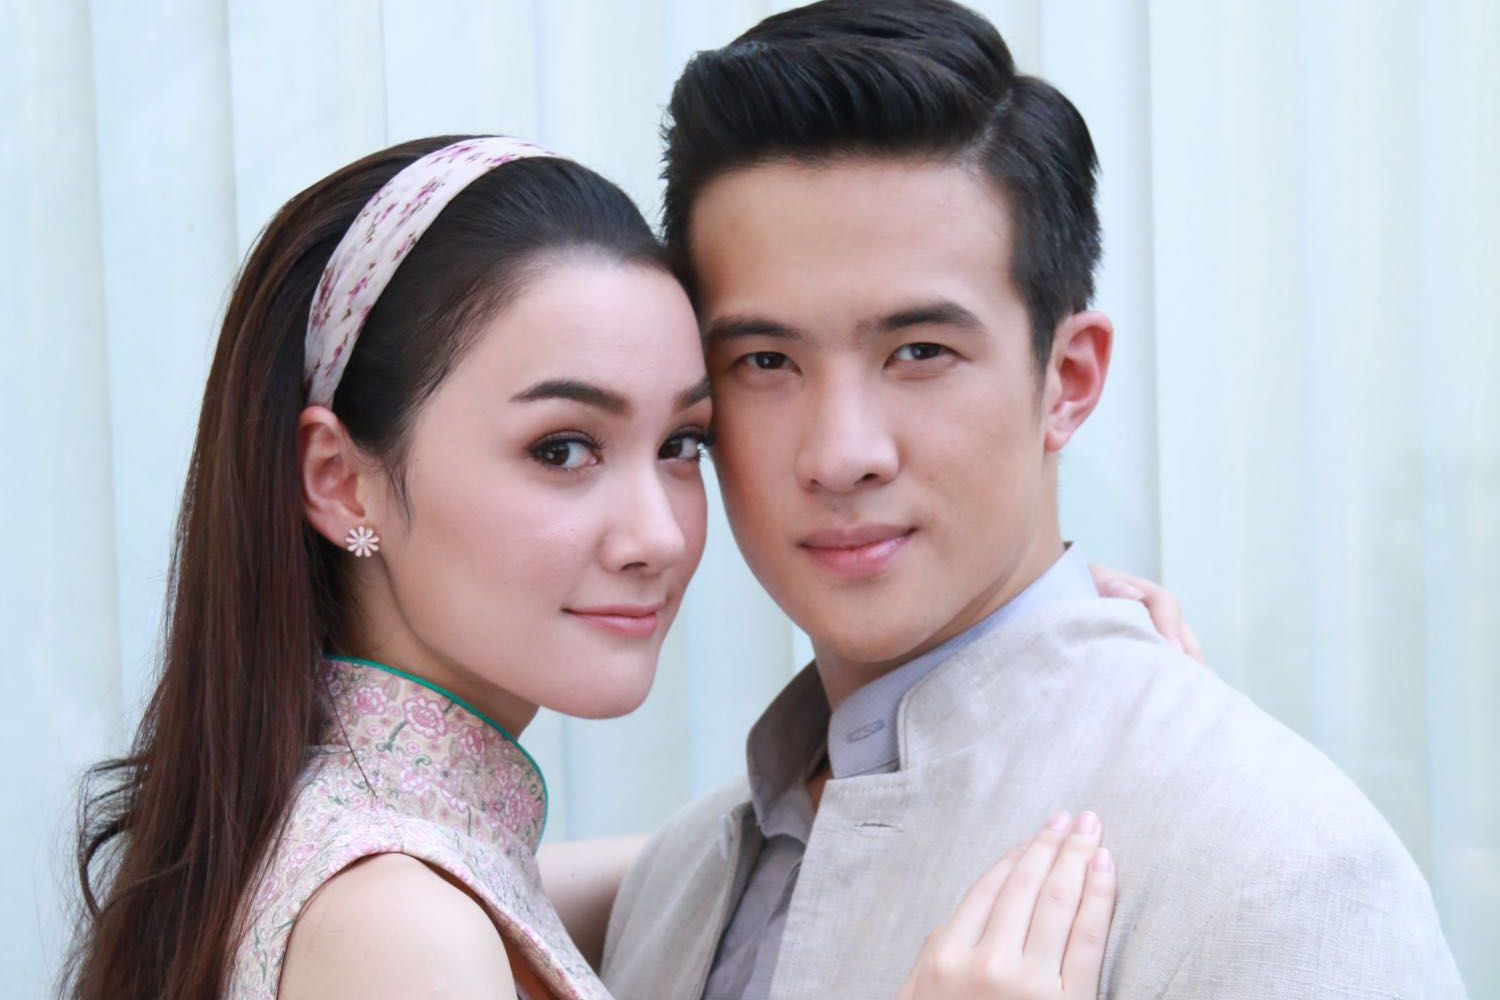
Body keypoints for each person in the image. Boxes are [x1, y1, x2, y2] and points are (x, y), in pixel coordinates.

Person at [66, 134, 1172, 999]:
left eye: (681, 443)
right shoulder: (402, 925)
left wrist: (1046, 658)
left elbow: (664, 871)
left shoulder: (379, 839)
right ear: (342, 481)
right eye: (562, 449)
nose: (657, 534)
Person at [599, 3, 1469, 999]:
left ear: (1068, 378)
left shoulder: (1275, 863)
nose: (842, 455)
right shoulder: (677, 880)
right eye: (765, 360)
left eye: (919, 351)